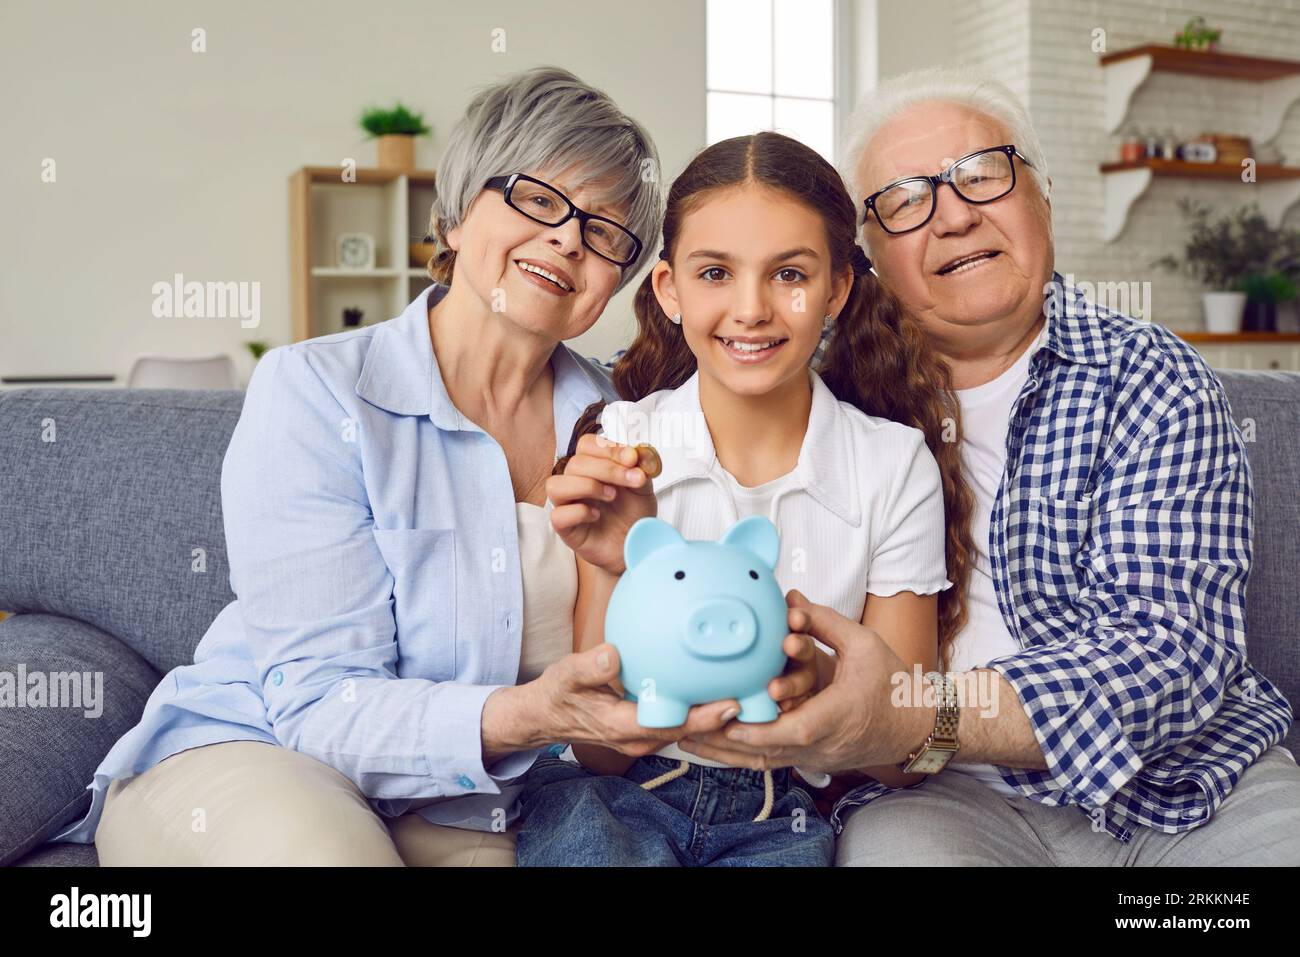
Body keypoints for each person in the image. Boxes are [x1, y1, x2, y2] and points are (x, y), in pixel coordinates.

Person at [46, 66, 735, 866]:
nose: (567, 238)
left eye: (605, 229)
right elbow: (315, 703)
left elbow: (628, 669)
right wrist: (529, 715)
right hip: (263, 755)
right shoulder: (315, 391)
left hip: (479, 800)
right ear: (455, 214)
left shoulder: (625, 426)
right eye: (538, 199)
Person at [676, 65, 1300, 866]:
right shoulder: (814, 384)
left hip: (1189, 786)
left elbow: (1166, 652)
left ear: (1043, 195)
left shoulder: (1152, 378)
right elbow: (686, 348)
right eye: (905, 199)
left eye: (983, 174)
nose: (955, 216)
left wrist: (916, 713)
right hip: (940, 797)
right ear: (860, 262)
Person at [514, 131, 975, 866]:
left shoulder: (893, 464)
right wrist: (611, 563)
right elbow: (600, 752)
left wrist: (820, 679)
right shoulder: (621, 441)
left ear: (838, 289)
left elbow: (904, 757)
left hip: (780, 812)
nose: (752, 308)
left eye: (789, 272)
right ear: (669, 290)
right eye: (716, 272)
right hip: (623, 792)